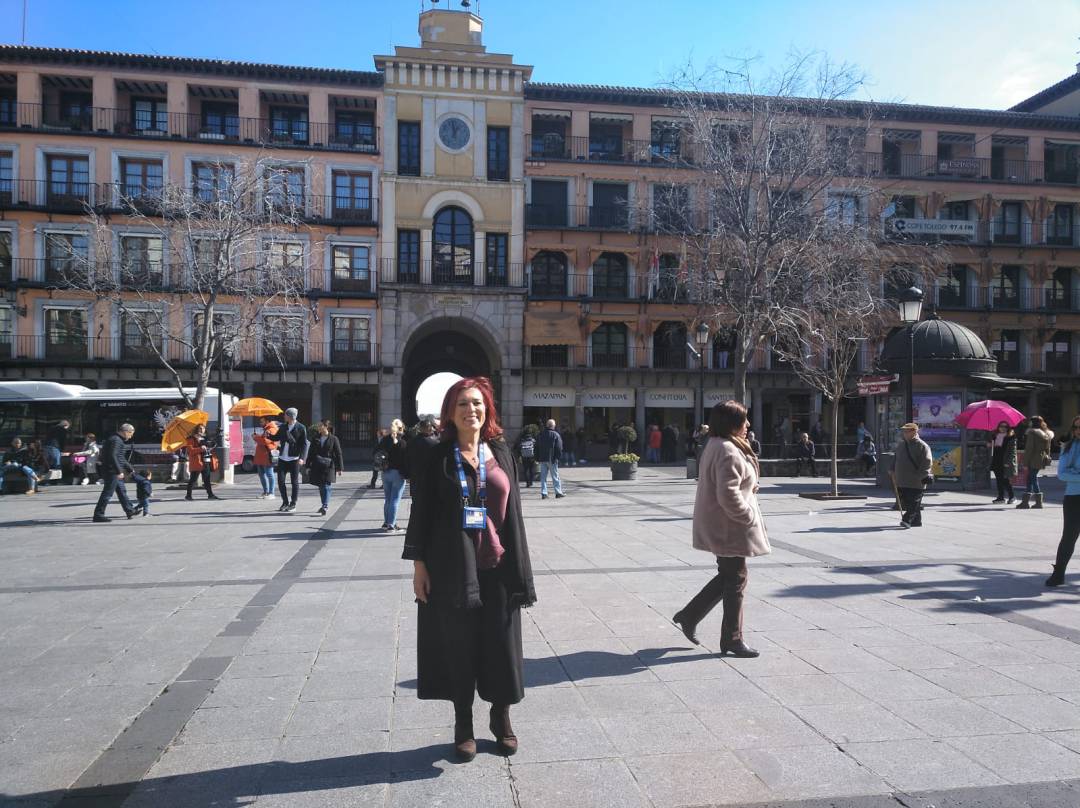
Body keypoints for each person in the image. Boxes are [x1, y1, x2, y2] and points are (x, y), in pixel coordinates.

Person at [402, 376, 537, 762]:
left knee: (501, 643)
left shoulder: (501, 451)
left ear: (487, 409)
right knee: (458, 644)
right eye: (462, 404)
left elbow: (514, 513)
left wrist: (520, 564)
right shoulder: (437, 456)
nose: (470, 410)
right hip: (451, 566)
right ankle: (464, 723)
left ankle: (500, 716)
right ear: (450, 412)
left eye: (477, 403)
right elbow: (421, 513)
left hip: (498, 564)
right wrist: (419, 565)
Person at [673, 400, 770, 658]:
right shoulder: (727, 449)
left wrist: (749, 487)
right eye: (744, 420)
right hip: (730, 527)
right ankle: (732, 639)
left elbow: (731, 483)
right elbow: (727, 493)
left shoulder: (717, 444)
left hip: (722, 524)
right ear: (732, 423)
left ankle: (690, 616)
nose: (748, 424)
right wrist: (747, 515)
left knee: (729, 577)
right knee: (735, 579)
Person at [1046, 415, 1080, 587]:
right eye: (1075, 427)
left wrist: (1075, 473)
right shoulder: (1068, 447)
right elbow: (1062, 474)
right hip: (1074, 498)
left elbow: (1069, 474)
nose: (1078, 430)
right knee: (1069, 537)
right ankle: (1058, 573)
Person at [92, 423, 140, 522]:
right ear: (125, 432)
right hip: (111, 471)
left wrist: (129, 468)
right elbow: (112, 456)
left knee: (122, 491)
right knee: (108, 493)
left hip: (112, 470)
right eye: (130, 434)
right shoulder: (116, 440)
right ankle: (98, 514)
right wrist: (118, 471)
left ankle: (129, 510)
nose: (131, 436)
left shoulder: (116, 440)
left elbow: (120, 457)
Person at [893, 423, 932, 528]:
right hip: (902, 479)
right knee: (909, 502)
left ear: (914, 432)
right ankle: (916, 521)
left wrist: (922, 475)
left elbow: (927, 462)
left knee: (914, 502)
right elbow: (896, 459)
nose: (904, 433)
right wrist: (892, 469)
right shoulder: (901, 445)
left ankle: (907, 520)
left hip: (916, 480)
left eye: (907, 431)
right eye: (904, 431)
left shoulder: (922, 446)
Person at [377, 419, 409, 531]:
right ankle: (392, 524)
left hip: (385, 472)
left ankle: (386, 522)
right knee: (395, 499)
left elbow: (375, 452)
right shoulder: (403, 443)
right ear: (401, 429)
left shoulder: (384, 440)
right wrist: (407, 474)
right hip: (398, 473)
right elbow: (405, 460)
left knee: (388, 499)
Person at [275, 407, 308, 513]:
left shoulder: (301, 427)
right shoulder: (283, 427)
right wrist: (264, 435)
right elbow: (276, 437)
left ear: (290, 416)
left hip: (294, 459)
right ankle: (285, 502)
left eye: (285, 415)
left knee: (294, 482)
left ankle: (293, 503)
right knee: (280, 481)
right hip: (282, 458)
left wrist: (302, 458)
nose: (284, 416)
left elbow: (304, 444)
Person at [308, 421, 344, 517]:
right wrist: (307, 465)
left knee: (327, 485)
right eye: (318, 426)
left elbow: (338, 453)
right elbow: (310, 452)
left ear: (326, 427)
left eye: (321, 426)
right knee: (321, 485)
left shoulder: (334, 439)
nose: (318, 427)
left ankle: (325, 505)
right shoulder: (316, 438)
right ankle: (323, 504)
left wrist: (340, 467)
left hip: (329, 465)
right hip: (318, 464)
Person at [1017, 415, 1053, 510]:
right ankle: (1026, 502)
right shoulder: (1046, 433)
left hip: (1033, 458)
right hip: (1040, 457)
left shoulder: (1032, 433)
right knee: (1030, 478)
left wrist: (1025, 462)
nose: (1029, 423)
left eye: (1030, 422)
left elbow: (1029, 449)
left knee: (1032, 478)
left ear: (1033, 423)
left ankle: (1037, 502)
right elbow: (1048, 449)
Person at [184, 424, 221, 501]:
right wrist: (200, 448)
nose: (202, 430)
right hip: (197, 462)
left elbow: (208, 447)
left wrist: (211, 446)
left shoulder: (205, 438)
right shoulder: (191, 439)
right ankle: (188, 495)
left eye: (203, 428)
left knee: (207, 479)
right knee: (193, 480)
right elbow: (190, 451)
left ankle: (210, 495)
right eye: (200, 428)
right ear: (196, 429)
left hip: (205, 461)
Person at [407, 416, 441, 492]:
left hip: (415, 477)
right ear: (429, 428)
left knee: (416, 500)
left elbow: (407, 458)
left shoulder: (411, 442)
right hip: (430, 477)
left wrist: (407, 474)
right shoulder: (434, 443)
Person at [988, 420, 1018, 505]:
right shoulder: (995, 436)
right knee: (998, 479)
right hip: (996, 460)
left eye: (1005, 426)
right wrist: (990, 445)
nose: (1003, 428)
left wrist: (1008, 462)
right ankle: (1000, 497)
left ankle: (1012, 497)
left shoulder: (1011, 437)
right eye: (1001, 426)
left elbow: (1012, 451)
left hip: (1005, 461)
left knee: (1005, 480)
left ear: (1008, 428)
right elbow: (994, 447)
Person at [536, 418, 564, 500]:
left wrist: (537, 457)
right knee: (555, 476)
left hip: (542, 459)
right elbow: (559, 447)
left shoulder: (541, 434)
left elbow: (536, 447)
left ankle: (544, 493)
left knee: (543, 477)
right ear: (553, 426)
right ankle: (558, 492)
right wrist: (557, 458)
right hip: (552, 459)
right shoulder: (556, 435)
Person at [253, 417, 278, 499]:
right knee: (262, 474)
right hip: (261, 455)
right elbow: (263, 439)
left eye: (262, 422)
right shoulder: (266, 429)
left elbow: (265, 441)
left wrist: (256, 437)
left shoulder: (271, 429)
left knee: (269, 474)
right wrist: (258, 437)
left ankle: (271, 493)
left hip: (267, 455)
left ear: (267, 421)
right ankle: (266, 492)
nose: (260, 423)